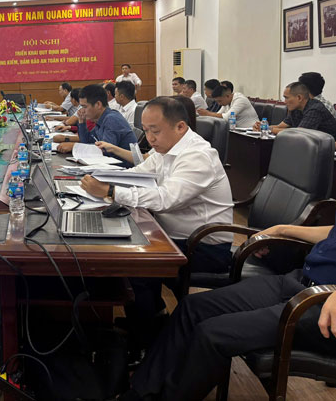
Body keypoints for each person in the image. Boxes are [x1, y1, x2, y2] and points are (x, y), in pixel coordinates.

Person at [120, 202, 336, 401]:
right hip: (300, 283)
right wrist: (281, 229)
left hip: (326, 305)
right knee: (192, 307)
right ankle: (139, 393)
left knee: (212, 335)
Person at [81, 97, 233, 339]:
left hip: (203, 247)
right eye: (146, 130)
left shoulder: (197, 156)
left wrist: (110, 191)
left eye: (155, 131)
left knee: (134, 262)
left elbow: (166, 199)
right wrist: (100, 178)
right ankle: (152, 318)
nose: (149, 138)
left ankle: (146, 336)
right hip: (172, 235)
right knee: (124, 246)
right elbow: (137, 174)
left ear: (180, 127)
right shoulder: (166, 147)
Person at [55, 85, 137, 164]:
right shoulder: (101, 118)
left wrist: (74, 146)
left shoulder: (112, 119)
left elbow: (106, 151)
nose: (82, 111)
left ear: (98, 104)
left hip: (123, 168)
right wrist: (82, 122)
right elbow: (87, 140)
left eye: (84, 107)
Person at [253, 82, 336, 140]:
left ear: (299, 98)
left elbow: (298, 134)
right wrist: (263, 126)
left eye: (286, 98)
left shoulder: (315, 109)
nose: (284, 102)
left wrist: (267, 129)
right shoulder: (296, 108)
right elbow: (280, 126)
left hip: (329, 151)